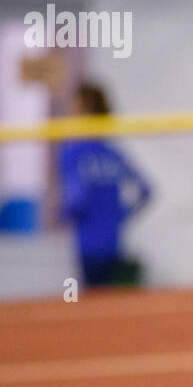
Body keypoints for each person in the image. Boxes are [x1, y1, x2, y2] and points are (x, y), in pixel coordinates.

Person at [57, 83, 151, 287]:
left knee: (92, 302)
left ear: (85, 110)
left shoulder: (73, 152)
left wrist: (62, 215)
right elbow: (146, 190)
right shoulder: (113, 153)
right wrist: (120, 214)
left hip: (87, 242)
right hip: (113, 240)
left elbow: (76, 201)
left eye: (73, 108)